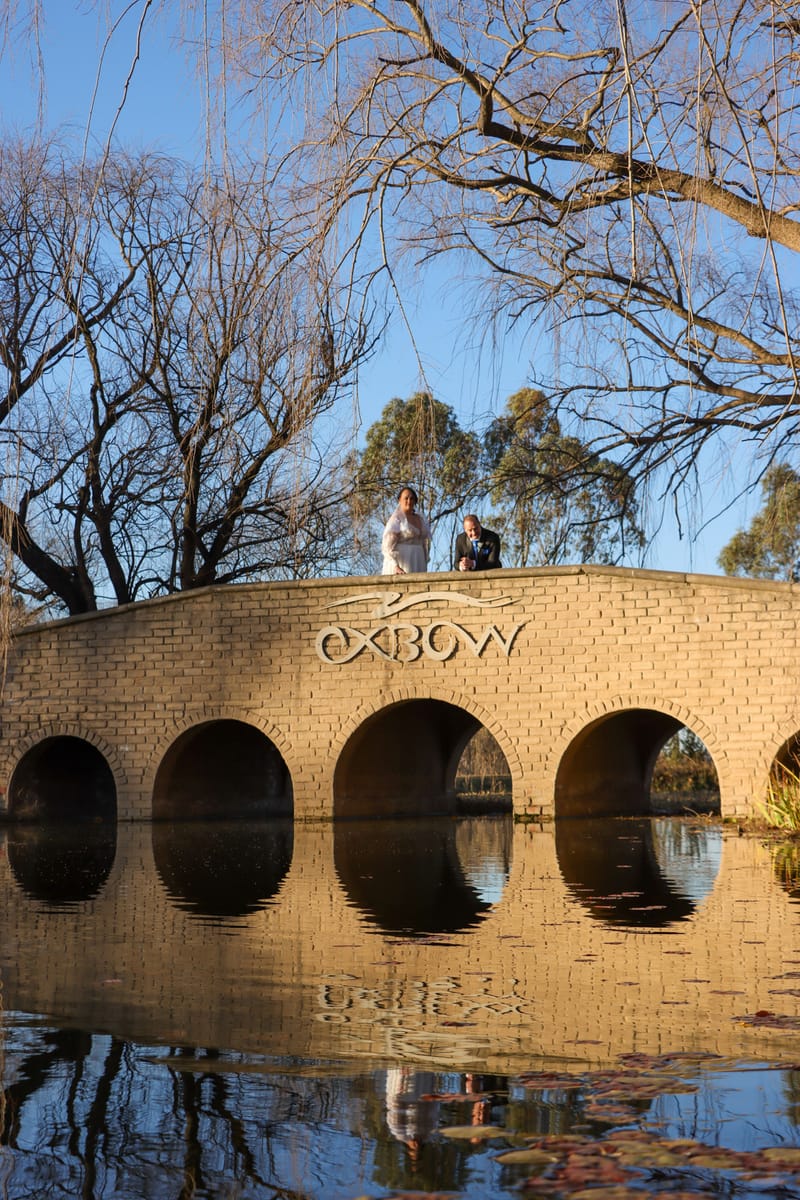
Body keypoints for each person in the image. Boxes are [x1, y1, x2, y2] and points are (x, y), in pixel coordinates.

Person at [381, 486, 432, 575]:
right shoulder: (396, 519)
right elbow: (387, 547)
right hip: (402, 563)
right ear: (399, 500)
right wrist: (395, 566)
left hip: (418, 561)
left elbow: (424, 543)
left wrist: (425, 559)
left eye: (412, 498)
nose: (409, 501)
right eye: (406, 498)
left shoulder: (421, 519)